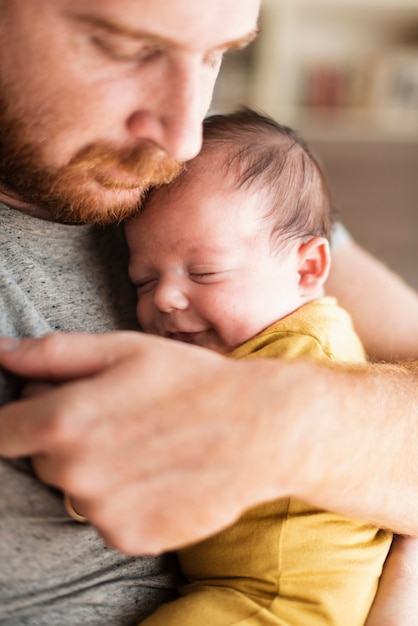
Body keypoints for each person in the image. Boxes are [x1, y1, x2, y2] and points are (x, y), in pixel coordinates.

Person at [0, 0, 417, 624]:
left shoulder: (228, 184)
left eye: (216, 54)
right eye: (124, 47)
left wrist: (270, 423)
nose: (184, 135)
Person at [124, 108, 392, 626]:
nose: (167, 297)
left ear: (308, 267)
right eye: (141, 279)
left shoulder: (305, 353)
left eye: (204, 272)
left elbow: (178, 441)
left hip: (276, 605)